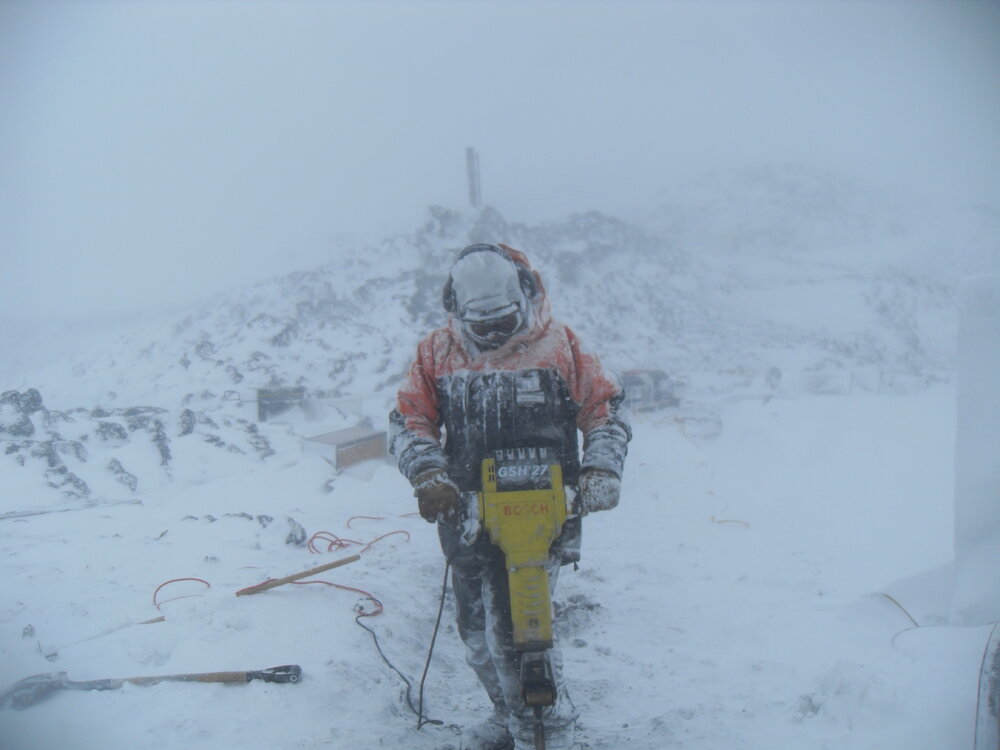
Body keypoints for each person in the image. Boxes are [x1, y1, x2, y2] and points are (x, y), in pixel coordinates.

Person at [389, 243, 631, 750]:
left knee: (519, 636)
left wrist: (601, 467)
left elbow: (604, 411)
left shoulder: (561, 347)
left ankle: (544, 730)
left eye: (505, 321)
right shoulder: (437, 353)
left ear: (524, 296)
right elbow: (410, 421)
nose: (496, 333)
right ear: (457, 309)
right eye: (484, 325)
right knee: (476, 637)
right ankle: (510, 711)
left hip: (543, 516)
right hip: (469, 515)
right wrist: (429, 472)